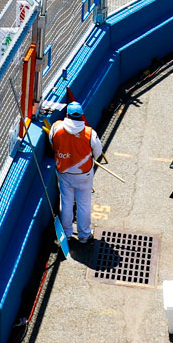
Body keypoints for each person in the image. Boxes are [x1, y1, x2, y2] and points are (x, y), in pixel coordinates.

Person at [51, 101, 103, 244]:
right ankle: (84, 235)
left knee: (66, 202)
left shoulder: (56, 127)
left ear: (67, 114)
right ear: (81, 116)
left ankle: (67, 233)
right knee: (84, 204)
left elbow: (52, 144)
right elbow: (98, 152)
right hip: (84, 175)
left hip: (64, 172)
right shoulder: (90, 133)